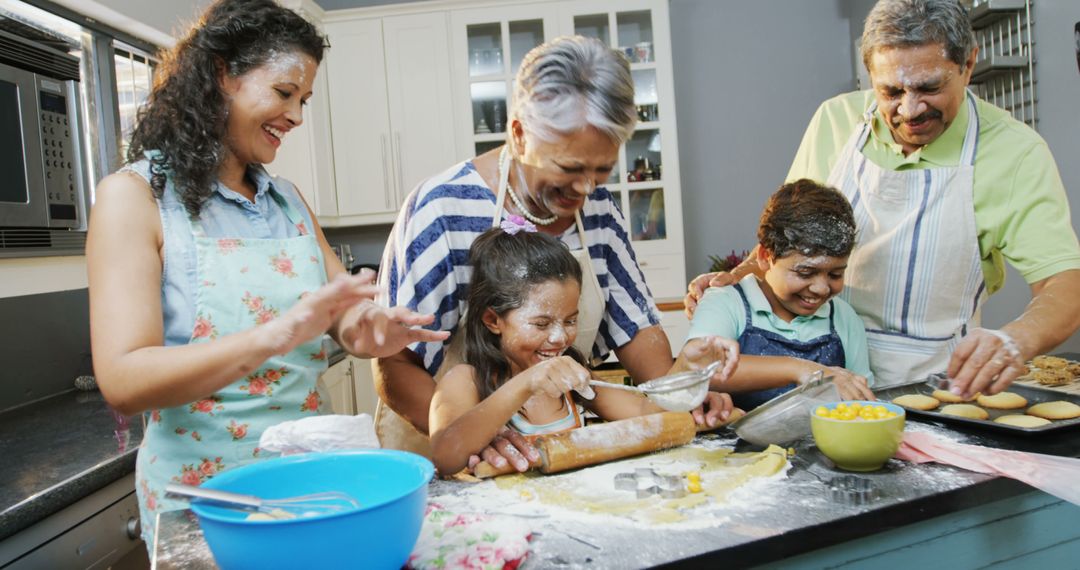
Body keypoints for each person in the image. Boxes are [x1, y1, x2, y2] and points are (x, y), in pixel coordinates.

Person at [86, 0, 447, 546]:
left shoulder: (287, 202)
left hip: (311, 481)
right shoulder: (135, 199)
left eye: (303, 100)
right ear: (221, 75)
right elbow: (123, 379)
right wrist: (272, 335)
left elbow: (340, 314)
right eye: (284, 93)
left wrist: (369, 328)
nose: (297, 116)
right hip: (208, 499)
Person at [377, 35, 739, 472]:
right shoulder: (442, 208)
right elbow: (394, 365)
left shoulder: (600, 212)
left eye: (601, 170)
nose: (587, 189)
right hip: (445, 462)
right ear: (518, 134)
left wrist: (686, 395)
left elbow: (643, 346)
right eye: (569, 168)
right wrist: (486, 434)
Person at [686, 0, 1080, 396]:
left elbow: (1064, 283)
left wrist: (1016, 339)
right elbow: (790, 240)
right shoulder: (835, 122)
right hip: (824, 385)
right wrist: (733, 283)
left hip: (938, 390)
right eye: (890, 91)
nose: (910, 110)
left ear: (968, 65)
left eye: (929, 87)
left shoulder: (1015, 153)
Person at [430, 221, 735, 475]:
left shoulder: (574, 380)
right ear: (492, 319)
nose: (560, 338)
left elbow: (644, 412)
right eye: (541, 324)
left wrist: (686, 364)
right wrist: (526, 383)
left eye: (571, 320)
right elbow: (444, 454)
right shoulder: (465, 380)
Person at [687, 180, 875, 410]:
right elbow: (699, 369)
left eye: (835, 274)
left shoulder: (843, 318)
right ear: (766, 256)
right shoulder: (725, 302)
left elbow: (863, 399)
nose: (821, 288)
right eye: (805, 272)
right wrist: (800, 369)